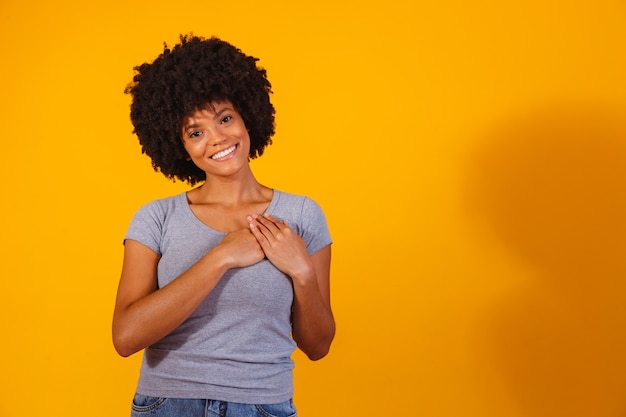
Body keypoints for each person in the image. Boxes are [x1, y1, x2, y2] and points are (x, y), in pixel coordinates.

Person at [112, 34, 335, 417]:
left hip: (262, 405)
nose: (217, 139)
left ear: (247, 116)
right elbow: (126, 336)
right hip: (167, 405)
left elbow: (317, 346)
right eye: (195, 132)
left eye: (225, 118)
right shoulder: (156, 217)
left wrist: (302, 272)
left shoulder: (301, 215)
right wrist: (221, 257)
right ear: (180, 147)